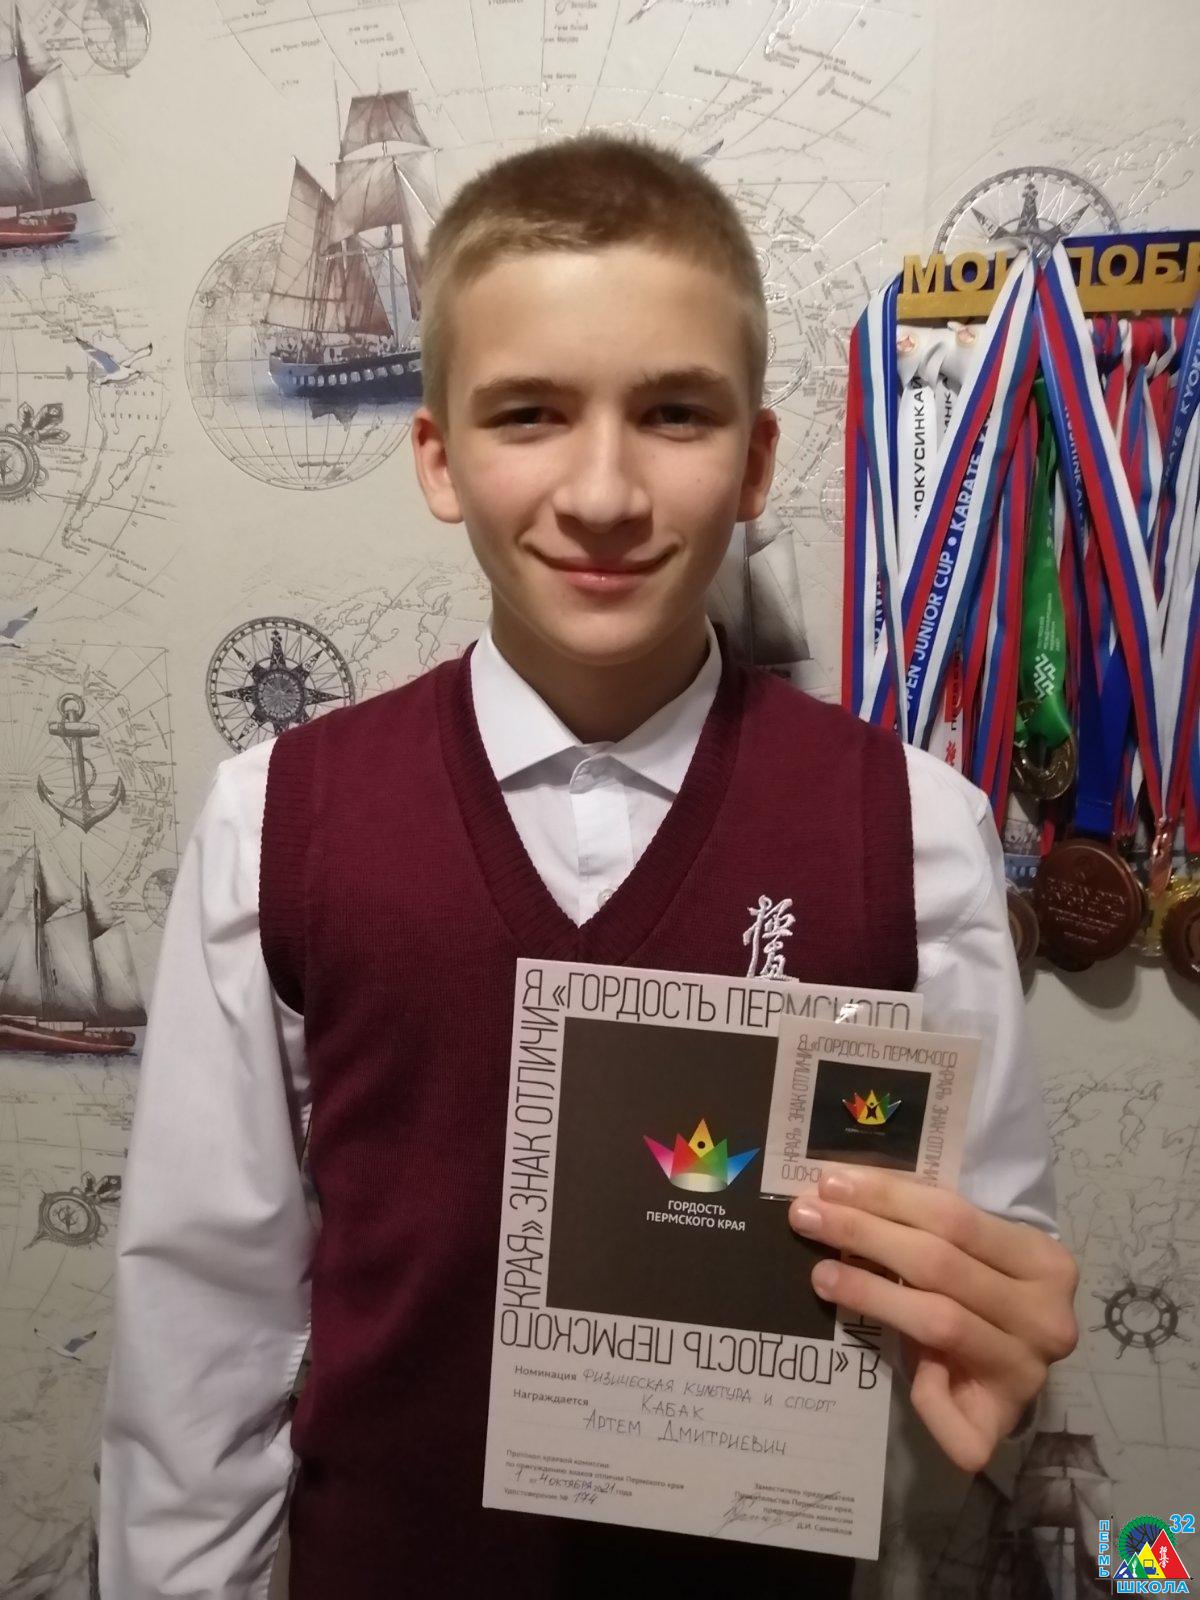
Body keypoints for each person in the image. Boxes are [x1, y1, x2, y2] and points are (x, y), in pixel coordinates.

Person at [99, 131, 1079, 1599]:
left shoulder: (916, 833)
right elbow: (203, 1329)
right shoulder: (277, 821)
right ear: (439, 458)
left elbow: (990, 1289)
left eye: (675, 412)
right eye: (530, 414)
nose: (605, 491)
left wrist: (992, 1343)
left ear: (755, 461)